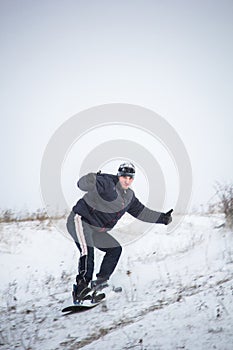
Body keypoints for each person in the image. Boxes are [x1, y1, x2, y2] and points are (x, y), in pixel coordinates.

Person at [67, 162, 173, 301]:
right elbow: (81, 185)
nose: (127, 180)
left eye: (130, 178)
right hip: (81, 220)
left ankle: (100, 283)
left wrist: (162, 218)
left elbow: (142, 212)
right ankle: (81, 289)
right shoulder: (106, 182)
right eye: (124, 177)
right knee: (87, 250)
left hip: (97, 229)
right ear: (119, 175)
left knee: (115, 249)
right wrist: (90, 179)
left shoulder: (129, 197)